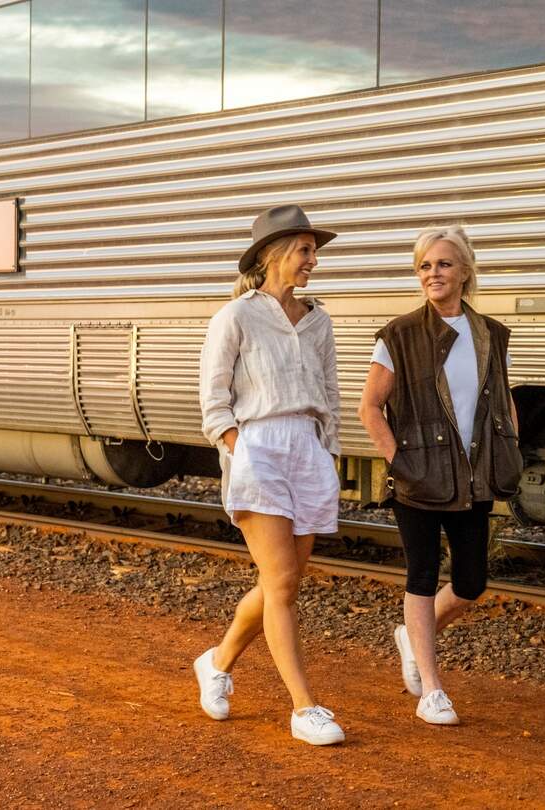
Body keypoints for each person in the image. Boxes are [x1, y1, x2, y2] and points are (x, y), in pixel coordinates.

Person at [357, 225, 523, 725]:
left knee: (472, 582)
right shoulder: (400, 335)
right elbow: (370, 407)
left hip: (473, 476)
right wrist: (400, 463)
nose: (433, 273)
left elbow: (504, 399)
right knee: (423, 576)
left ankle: (412, 635)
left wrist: (511, 450)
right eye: (425, 265)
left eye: (444, 264)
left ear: (466, 271)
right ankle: (432, 689)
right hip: (420, 477)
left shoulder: (491, 334)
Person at [193, 205, 345, 746]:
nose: (312, 261)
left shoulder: (319, 319)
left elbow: (329, 395)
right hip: (259, 447)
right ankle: (304, 707)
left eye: (313, 251)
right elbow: (214, 403)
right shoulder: (234, 317)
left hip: (307, 449)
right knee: (281, 583)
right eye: (304, 250)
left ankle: (216, 661)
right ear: (272, 255)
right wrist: (243, 450)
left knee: (283, 580)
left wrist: (329, 454)